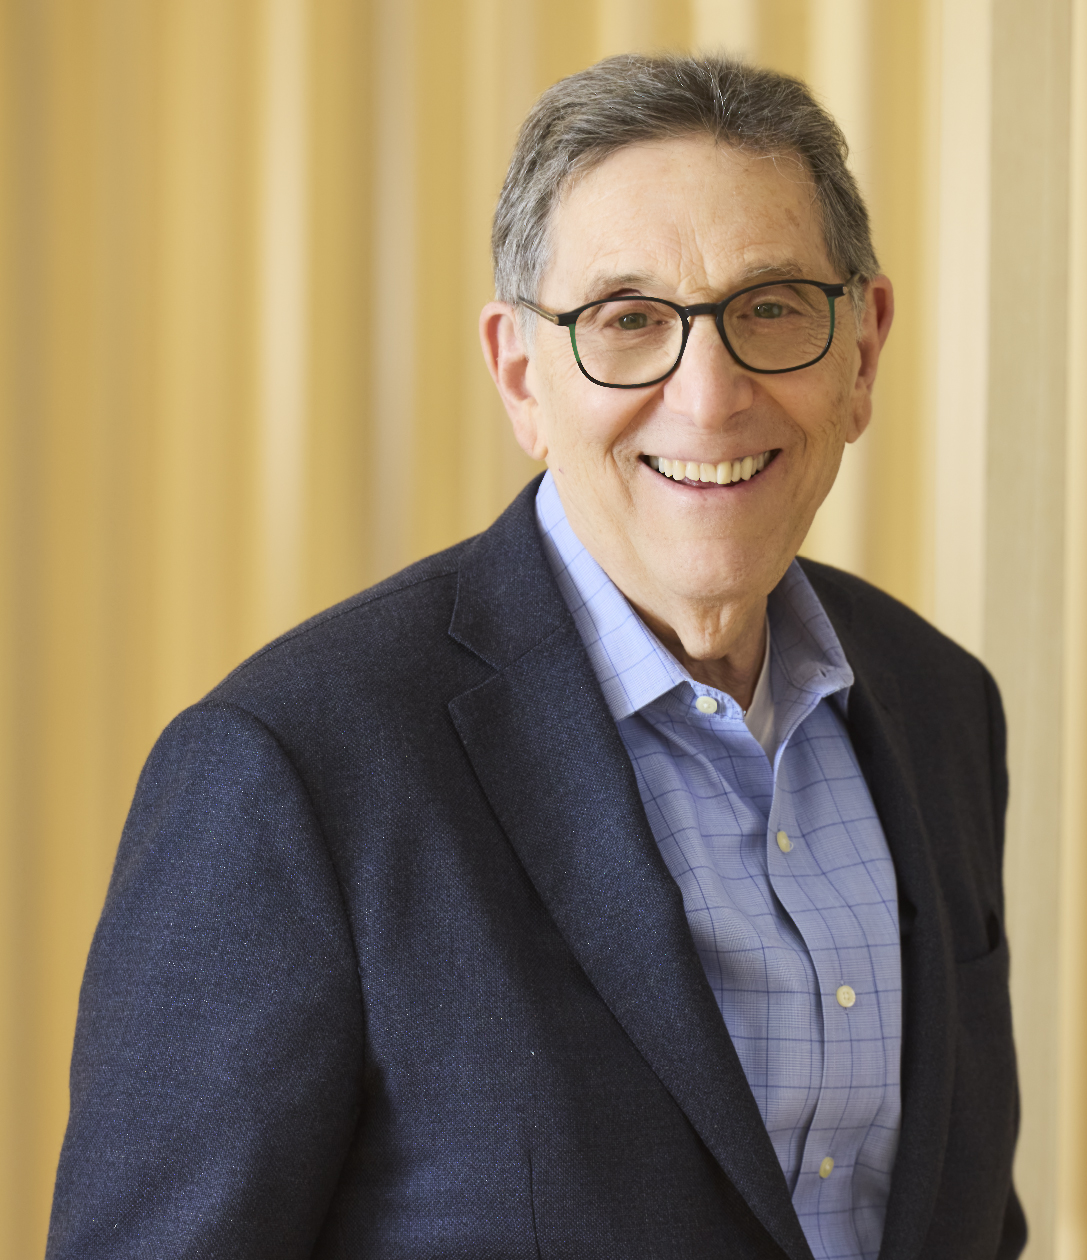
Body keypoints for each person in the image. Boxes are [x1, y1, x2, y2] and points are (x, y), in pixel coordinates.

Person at [47, 55, 1024, 1260]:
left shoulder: (941, 707)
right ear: (521, 374)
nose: (709, 396)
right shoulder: (291, 770)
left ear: (861, 352)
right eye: (628, 321)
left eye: (770, 307)